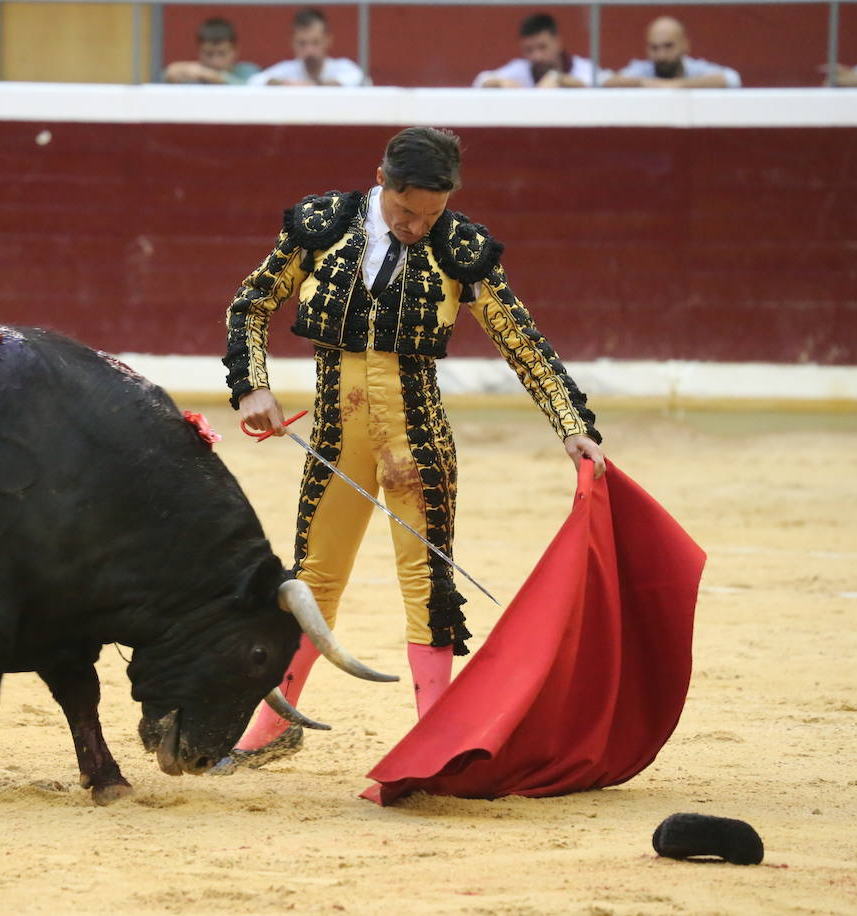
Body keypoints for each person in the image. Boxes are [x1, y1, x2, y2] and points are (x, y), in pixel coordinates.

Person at [216, 127, 605, 771]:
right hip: (337, 434)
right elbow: (250, 303)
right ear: (382, 182)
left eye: (432, 214)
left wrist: (570, 422)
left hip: (417, 436)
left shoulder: (461, 246)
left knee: (428, 583)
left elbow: (521, 340)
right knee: (313, 578)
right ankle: (270, 727)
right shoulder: (324, 225)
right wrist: (252, 385)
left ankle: (436, 738)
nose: (417, 227)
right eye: (406, 212)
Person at [603, 16, 740, 88]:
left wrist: (679, 85)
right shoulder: (643, 70)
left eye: (668, 46)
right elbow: (606, 81)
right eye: (654, 48)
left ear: (685, 46)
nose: (661, 55)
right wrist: (643, 83)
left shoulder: (694, 68)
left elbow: (732, 78)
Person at [472, 12, 597, 88]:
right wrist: (500, 83)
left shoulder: (584, 68)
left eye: (542, 47)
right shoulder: (520, 69)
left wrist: (559, 80)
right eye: (529, 50)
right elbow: (480, 81)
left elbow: (604, 83)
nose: (537, 56)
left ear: (558, 42)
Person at [248, 8, 366, 87]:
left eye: (315, 42)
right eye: (302, 43)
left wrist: (309, 85)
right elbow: (254, 81)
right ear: (293, 43)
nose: (309, 50)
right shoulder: (287, 69)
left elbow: (357, 79)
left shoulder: (343, 67)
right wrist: (282, 84)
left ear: (328, 41)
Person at [161, 17, 258, 85]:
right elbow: (166, 76)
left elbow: (253, 87)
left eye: (222, 53)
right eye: (209, 54)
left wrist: (216, 77)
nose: (215, 61)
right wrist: (174, 71)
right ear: (199, 52)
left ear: (235, 51)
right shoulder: (193, 73)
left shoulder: (248, 71)